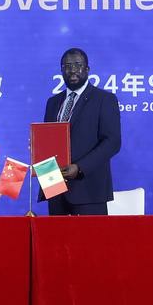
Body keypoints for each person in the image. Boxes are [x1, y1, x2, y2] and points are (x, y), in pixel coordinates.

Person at [41, 48, 121, 215]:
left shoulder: (104, 99)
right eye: (67, 66)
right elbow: (49, 140)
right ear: (61, 70)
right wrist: (38, 145)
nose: (72, 70)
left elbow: (112, 142)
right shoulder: (52, 102)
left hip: (89, 189)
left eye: (78, 65)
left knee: (90, 234)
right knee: (55, 234)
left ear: (87, 69)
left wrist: (80, 168)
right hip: (55, 188)